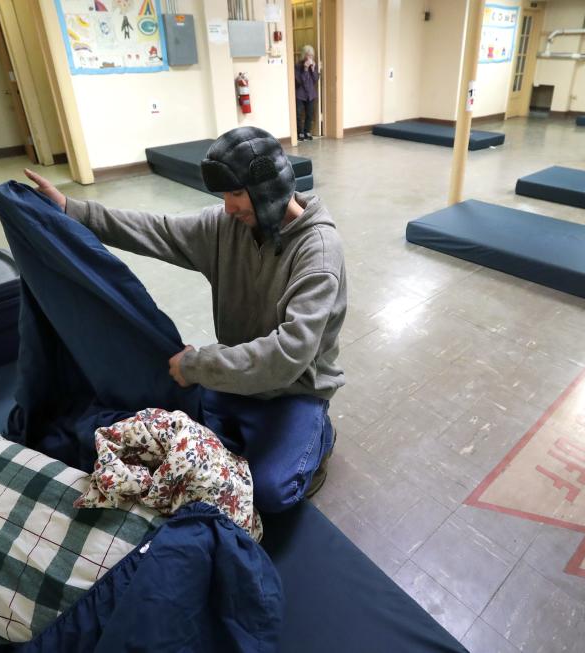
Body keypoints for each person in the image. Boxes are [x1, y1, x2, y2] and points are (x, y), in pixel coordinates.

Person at [24, 126, 346, 512]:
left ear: (268, 189)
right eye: (224, 195)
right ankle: (244, 429)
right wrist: (71, 210)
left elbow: (284, 359)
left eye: (237, 193)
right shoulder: (226, 228)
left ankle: (320, 434)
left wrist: (200, 365)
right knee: (162, 433)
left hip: (294, 392)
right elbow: (156, 229)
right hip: (240, 383)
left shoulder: (319, 255)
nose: (228, 207)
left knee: (269, 492)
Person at [295, 45, 319, 141]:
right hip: (300, 94)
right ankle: (300, 132)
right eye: (308, 56)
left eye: (312, 56)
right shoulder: (298, 66)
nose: (310, 58)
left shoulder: (313, 65)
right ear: (304, 56)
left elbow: (315, 79)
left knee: (309, 114)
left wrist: (313, 70)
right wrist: (305, 69)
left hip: (311, 94)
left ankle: (307, 131)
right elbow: (300, 81)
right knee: (299, 114)